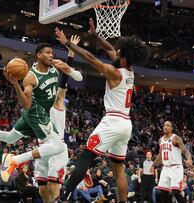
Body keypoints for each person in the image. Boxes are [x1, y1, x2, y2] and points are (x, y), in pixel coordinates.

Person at [0, 37, 83, 203]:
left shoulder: (55, 66)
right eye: (48, 53)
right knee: (59, 146)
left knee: (11, 137)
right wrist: (15, 84)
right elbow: (26, 104)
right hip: (37, 113)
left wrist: (67, 66)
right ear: (39, 55)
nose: (51, 55)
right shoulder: (30, 77)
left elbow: (78, 78)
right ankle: (15, 160)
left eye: (52, 53)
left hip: (37, 115)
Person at [55, 21, 150, 202]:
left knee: (87, 155)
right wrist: (95, 35)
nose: (115, 51)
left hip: (113, 122)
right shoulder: (129, 69)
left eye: (119, 51)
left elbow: (92, 59)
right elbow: (110, 49)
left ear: (123, 58)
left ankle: (64, 194)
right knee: (118, 170)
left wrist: (68, 43)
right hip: (125, 124)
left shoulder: (115, 72)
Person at [151, 121, 193, 203]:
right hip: (166, 168)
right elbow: (160, 155)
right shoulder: (161, 140)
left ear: (171, 128)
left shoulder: (175, 138)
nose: (165, 127)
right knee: (163, 191)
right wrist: (152, 165)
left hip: (176, 167)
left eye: (168, 125)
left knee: (175, 192)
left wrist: (189, 158)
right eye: (164, 125)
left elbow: (185, 151)